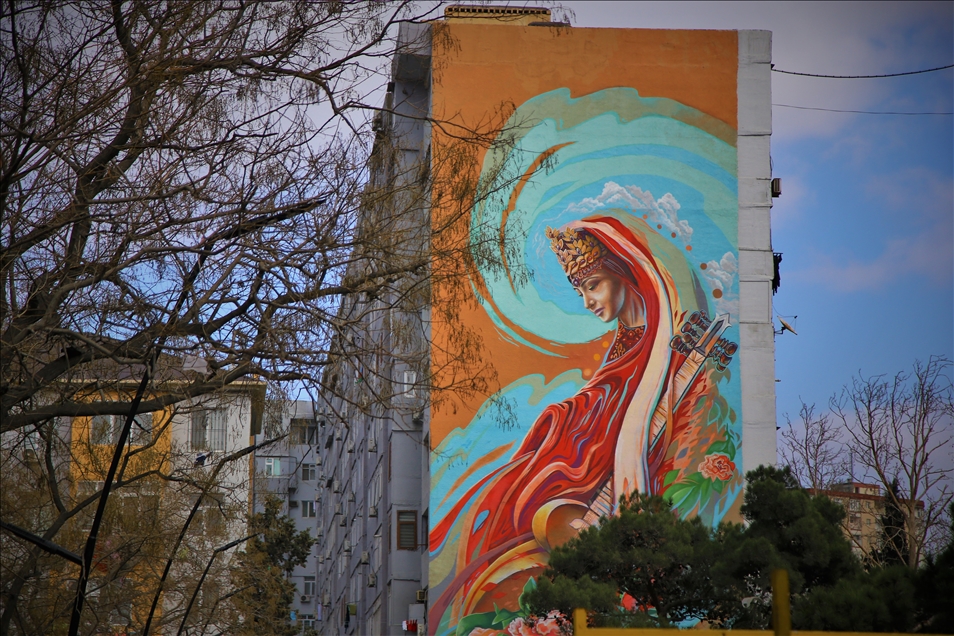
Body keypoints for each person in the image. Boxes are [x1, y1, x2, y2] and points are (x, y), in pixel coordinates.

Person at [430, 214, 694, 632]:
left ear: (624, 273)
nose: (587, 301)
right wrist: (565, 416)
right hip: (584, 460)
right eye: (579, 290)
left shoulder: (661, 346)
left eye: (593, 285)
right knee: (505, 497)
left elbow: (633, 407)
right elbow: (610, 393)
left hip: (598, 468)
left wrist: (574, 419)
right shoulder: (628, 339)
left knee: (530, 489)